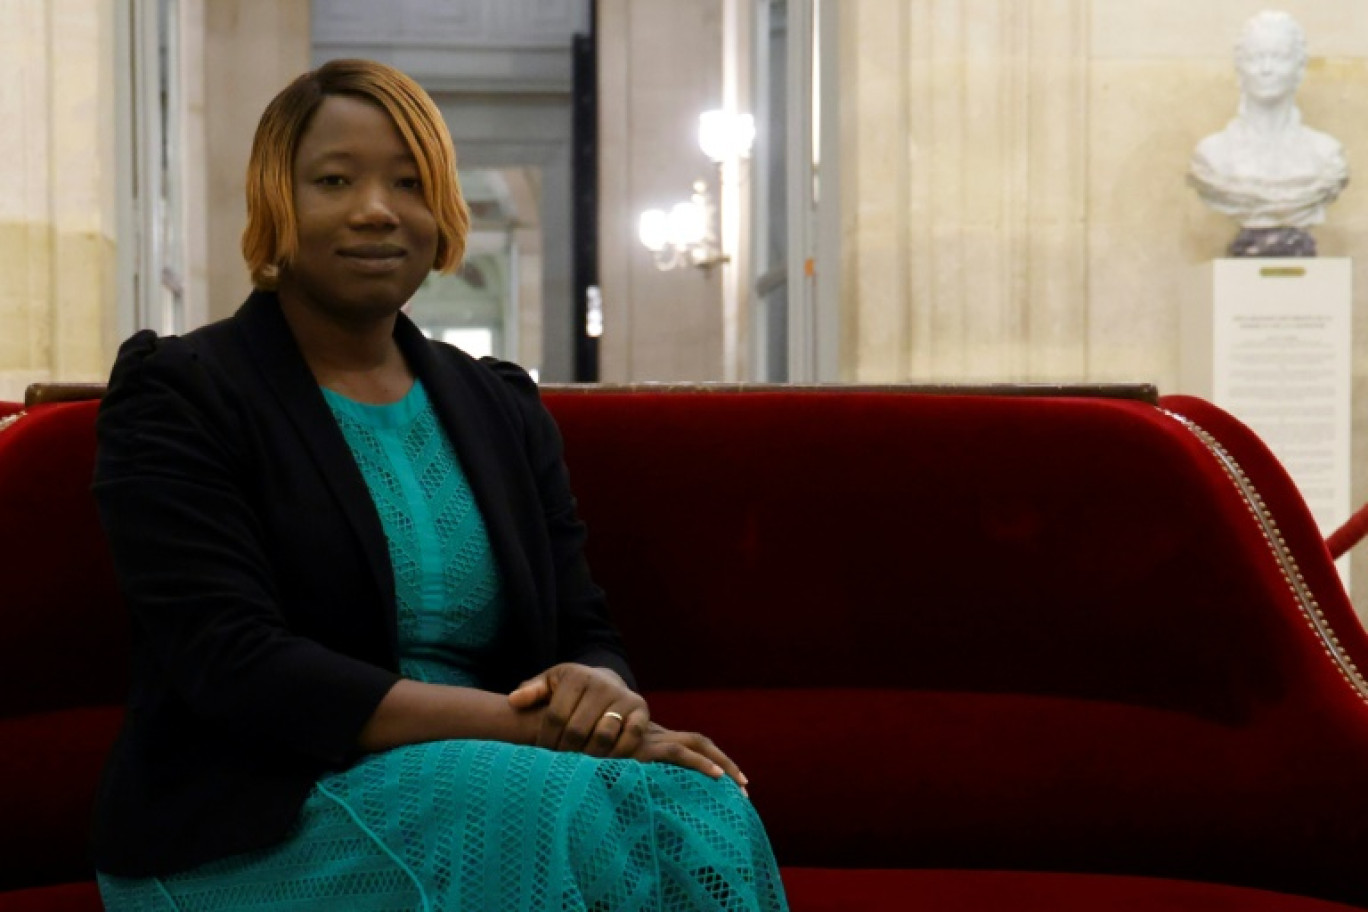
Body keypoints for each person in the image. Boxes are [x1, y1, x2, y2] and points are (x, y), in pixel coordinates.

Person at [91, 58, 788, 911]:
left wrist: (601, 693)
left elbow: (581, 622)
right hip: (259, 812)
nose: (377, 209)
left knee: (698, 807)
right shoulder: (184, 390)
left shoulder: (496, 405)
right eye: (334, 180)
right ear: (280, 202)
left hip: (499, 777)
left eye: (409, 184)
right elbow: (232, 662)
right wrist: (524, 729)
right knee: (540, 805)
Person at [1187, 10, 1348, 255]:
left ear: (1300, 68)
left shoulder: (1325, 155)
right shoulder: (1213, 154)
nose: (1266, 69)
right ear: (1239, 69)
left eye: (1279, 57)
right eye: (1255, 58)